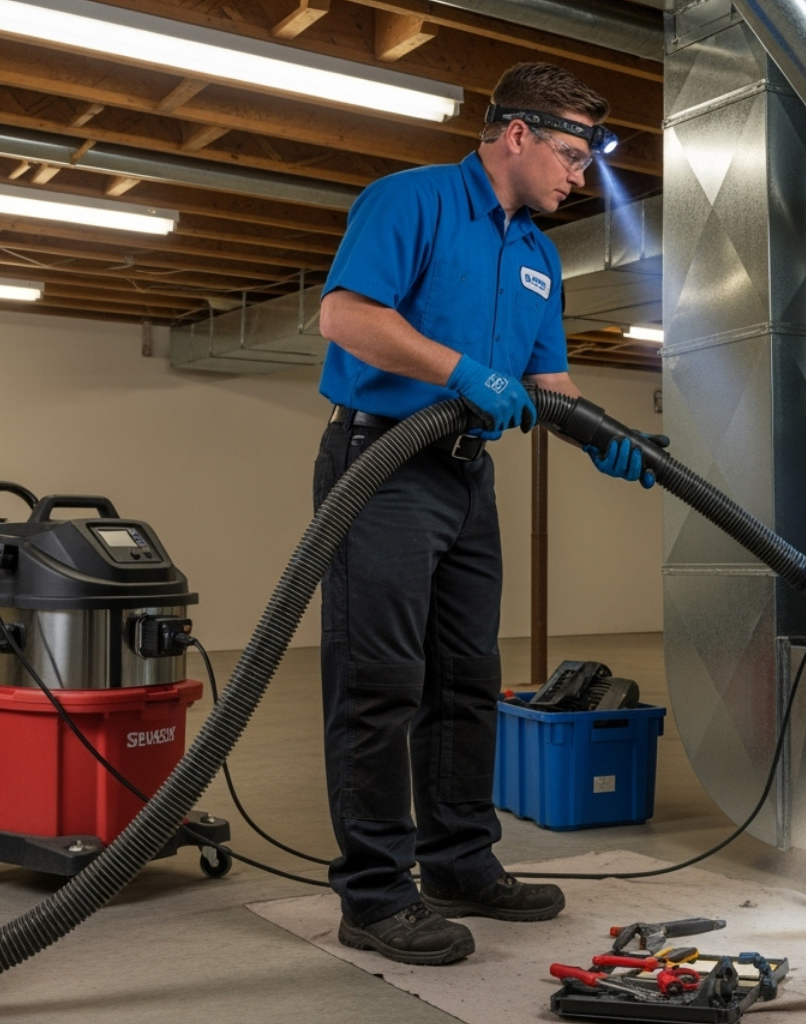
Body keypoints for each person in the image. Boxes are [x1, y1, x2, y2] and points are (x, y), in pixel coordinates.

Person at [313, 62, 653, 967]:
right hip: (379, 464)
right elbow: (344, 317)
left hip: (466, 478)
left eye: (586, 160)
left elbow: (549, 384)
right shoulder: (410, 201)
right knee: (380, 679)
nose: (579, 176)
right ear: (516, 135)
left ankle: (459, 862)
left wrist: (606, 437)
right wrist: (458, 370)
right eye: (572, 155)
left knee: (466, 677)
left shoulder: (539, 258)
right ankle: (376, 896)